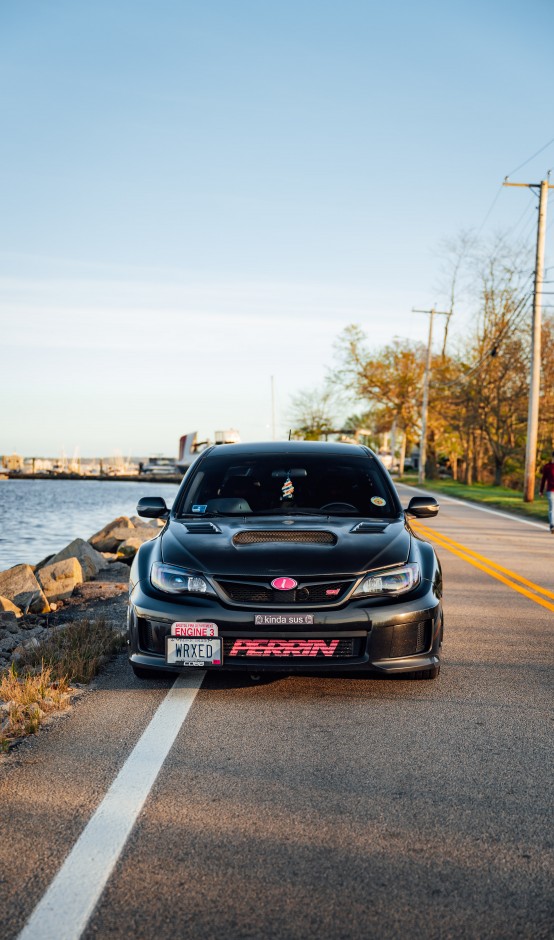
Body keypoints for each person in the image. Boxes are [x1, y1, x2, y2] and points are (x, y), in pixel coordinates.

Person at [539, 450, 554, 533]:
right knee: (552, 508)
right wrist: (541, 490)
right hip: (550, 490)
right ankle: (552, 525)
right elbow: (543, 479)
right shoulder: (547, 467)